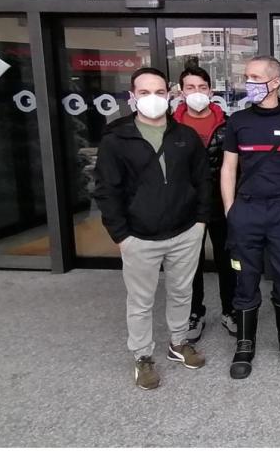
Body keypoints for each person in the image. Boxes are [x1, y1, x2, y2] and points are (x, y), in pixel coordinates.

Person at [94, 67, 210, 390]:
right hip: (139, 237)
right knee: (140, 301)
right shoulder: (116, 139)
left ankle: (178, 342)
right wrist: (121, 235)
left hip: (185, 231)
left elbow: (202, 180)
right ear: (132, 97)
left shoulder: (185, 136)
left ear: (170, 95)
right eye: (144, 93)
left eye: (159, 92)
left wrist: (200, 222)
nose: (153, 99)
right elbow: (106, 190)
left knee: (181, 292)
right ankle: (143, 356)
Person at [221, 56, 280, 380]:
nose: (247, 82)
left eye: (255, 77)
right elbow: (228, 168)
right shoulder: (237, 121)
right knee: (244, 277)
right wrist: (230, 209)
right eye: (246, 76)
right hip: (246, 210)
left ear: (275, 82)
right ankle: (245, 343)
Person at [172, 61, 237, 342]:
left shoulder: (228, 123)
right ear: (180, 91)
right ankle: (194, 312)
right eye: (190, 87)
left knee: (227, 259)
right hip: (185, 206)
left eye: (201, 87)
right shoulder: (170, 125)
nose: (196, 92)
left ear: (210, 91)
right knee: (190, 264)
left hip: (221, 203)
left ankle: (230, 310)